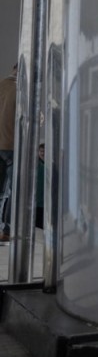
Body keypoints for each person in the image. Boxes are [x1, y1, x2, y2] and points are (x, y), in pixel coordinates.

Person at [0, 64, 15, 243]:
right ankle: (6, 229)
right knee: (12, 190)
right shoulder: (22, 89)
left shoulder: (1, 84)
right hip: (12, 146)